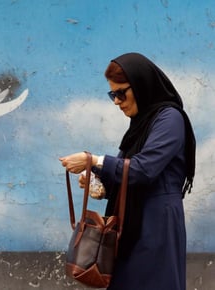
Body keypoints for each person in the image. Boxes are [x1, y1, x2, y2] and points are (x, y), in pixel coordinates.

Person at [59, 52, 196, 290]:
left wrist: (94, 160)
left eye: (121, 92)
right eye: (113, 94)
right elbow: (126, 173)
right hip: (129, 226)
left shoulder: (170, 119)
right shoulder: (140, 125)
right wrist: (98, 184)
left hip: (156, 225)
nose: (116, 101)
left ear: (141, 86)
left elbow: (143, 170)